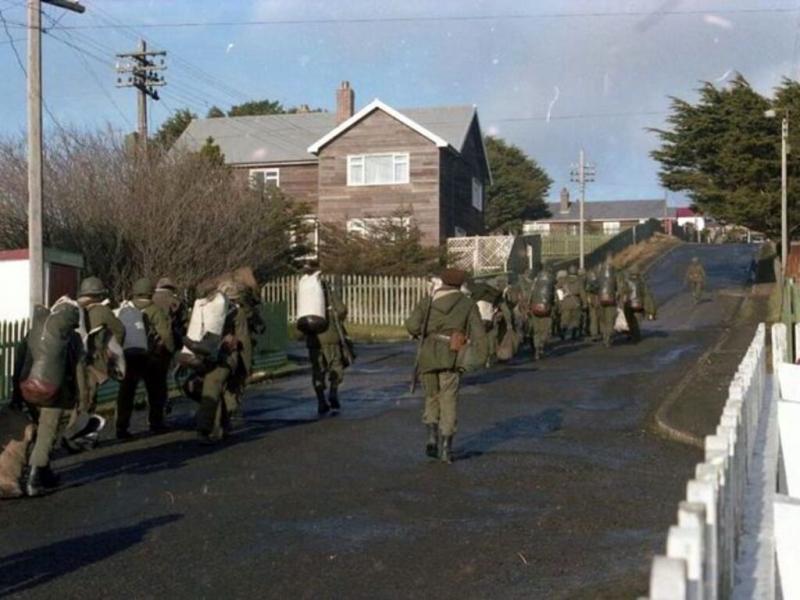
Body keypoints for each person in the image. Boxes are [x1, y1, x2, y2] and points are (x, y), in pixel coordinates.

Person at [405, 268, 488, 464]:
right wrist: (479, 358)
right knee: (448, 398)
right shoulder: (467, 304)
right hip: (452, 354)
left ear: (442, 281)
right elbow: (479, 334)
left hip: (427, 354)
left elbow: (412, 326)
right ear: (460, 284)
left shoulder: (428, 301)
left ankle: (432, 437)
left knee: (431, 396)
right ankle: (446, 449)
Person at [18, 301, 85, 496]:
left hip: (28, 387)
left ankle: (45, 472)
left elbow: (22, 359)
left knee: (40, 431)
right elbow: (79, 369)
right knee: (48, 432)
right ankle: (34, 480)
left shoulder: (36, 333)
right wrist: (82, 397)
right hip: (53, 393)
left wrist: (17, 389)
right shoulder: (72, 338)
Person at [116, 277, 175, 439]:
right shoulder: (154, 310)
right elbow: (166, 334)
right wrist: (170, 350)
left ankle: (121, 427)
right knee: (156, 390)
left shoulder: (125, 308)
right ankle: (156, 423)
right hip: (151, 358)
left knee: (126, 392)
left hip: (128, 356)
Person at [196, 280, 251, 444]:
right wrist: (246, 367)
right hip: (224, 358)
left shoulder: (206, 307)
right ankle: (204, 429)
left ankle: (221, 427)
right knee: (214, 390)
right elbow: (244, 340)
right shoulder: (237, 312)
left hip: (203, 355)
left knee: (215, 389)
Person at [304, 266, 350, 416]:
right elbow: (342, 309)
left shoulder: (305, 293)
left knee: (318, 370)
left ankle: (320, 401)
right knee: (336, 365)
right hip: (330, 336)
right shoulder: (327, 290)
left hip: (313, 339)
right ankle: (333, 391)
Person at [76, 277, 125, 414]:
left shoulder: (75, 308)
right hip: (92, 360)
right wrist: (113, 351)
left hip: (71, 359)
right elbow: (119, 330)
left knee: (78, 399)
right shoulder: (102, 310)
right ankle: (83, 432)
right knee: (88, 398)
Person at [527, 264, 555, 360]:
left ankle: (536, 349)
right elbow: (554, 298)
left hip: (534, 310)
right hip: (546, 311)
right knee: (545, 330)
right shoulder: (550, 284)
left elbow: (529, 297)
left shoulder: (534, 284)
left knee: (536, 331)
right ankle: (542, 346)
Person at [153, 277, 188, 351]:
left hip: (151, 337)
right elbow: (183, 318)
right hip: (169, 336)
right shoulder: (175, 300)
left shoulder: (150, 297)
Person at [557, 265, 585, 340]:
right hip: (575, 301)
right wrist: (585, 303)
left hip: (565, 302)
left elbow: (558, 289)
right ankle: (574, 334)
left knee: (565, 319)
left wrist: (561, 299)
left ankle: (563, 332)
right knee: (575, 319)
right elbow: (582, 293)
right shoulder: (579, 281)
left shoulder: (563, 280)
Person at [597, 254, 618, 348]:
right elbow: (618, 287)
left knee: (603, 319)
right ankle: (607, 338)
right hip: (611, 300)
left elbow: (593, 286)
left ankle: (604, 335)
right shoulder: (614, 272)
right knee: (610, 320)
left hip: (600, 299)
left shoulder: (598, 272)